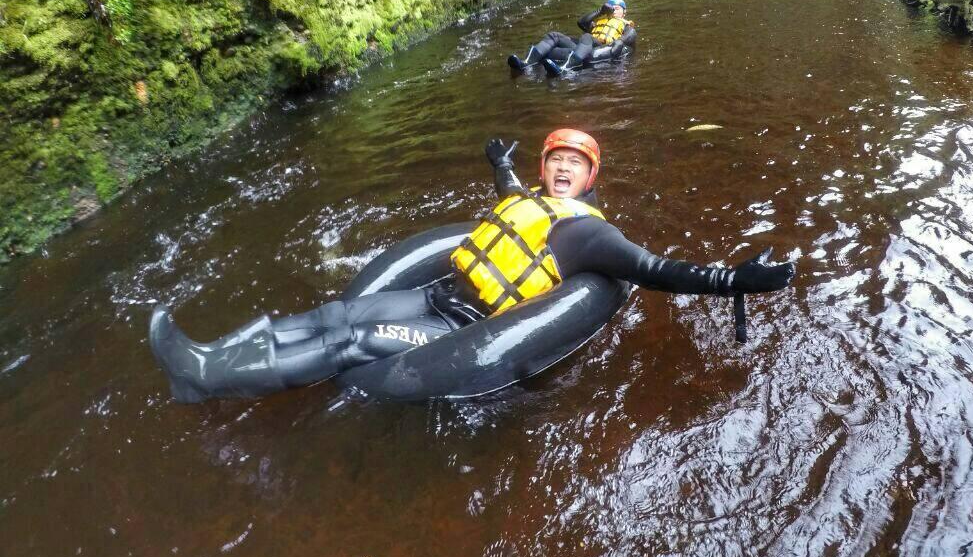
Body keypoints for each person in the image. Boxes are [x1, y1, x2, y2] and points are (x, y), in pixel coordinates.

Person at [150, 129, 795, 401]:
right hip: (432, 296)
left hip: (459, 328)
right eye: (555, 159)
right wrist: (500, 165)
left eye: (576, 162)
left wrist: (733, 279)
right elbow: (507, 207)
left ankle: (206, 374)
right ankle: (211, 359)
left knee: (353, 340)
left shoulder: (592, 239)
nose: (562, 167)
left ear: (593, 178)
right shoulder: (527, 200)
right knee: (335, 313)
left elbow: (660, 271)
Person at [508, 0, 637, 75]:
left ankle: (567, 68)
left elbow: (628, 38)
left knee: (586, 37)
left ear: (624, 12)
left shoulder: (626, 26)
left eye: (617, 8)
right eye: (612, 8)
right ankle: (527, 63)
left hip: (602, 46)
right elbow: (581, 22)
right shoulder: (598, 22)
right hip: (585, 46)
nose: (614, 10)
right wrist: (600, 11)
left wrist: (618, 43)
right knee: (554, 35)